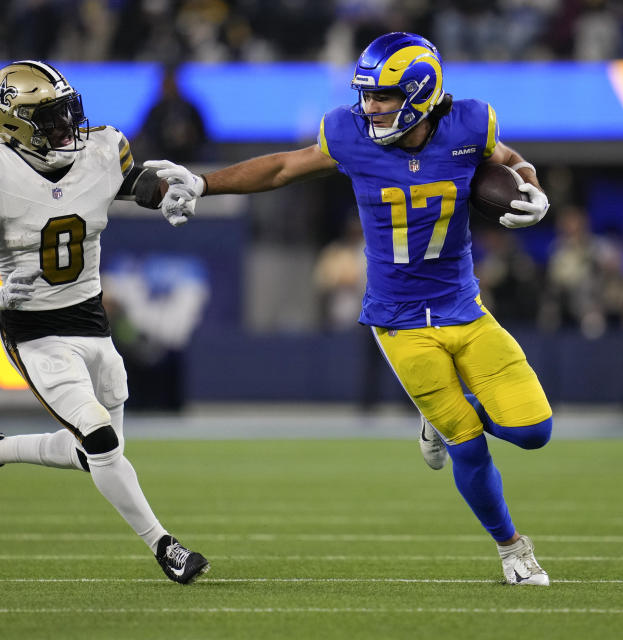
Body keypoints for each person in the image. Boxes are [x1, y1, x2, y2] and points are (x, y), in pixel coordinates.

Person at [151, 32, 554, 586]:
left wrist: (531, 185)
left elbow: (507, 160)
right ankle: (512, 550)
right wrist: (204, 182)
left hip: (464, 307)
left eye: (384, 97)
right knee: (470, 449)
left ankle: (441, 421)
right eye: (366, 95)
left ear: (419, 93)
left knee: (534, 431)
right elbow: (282, 168)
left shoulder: (470, 124)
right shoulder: (348, 133)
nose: (370, 107)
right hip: (400, 322)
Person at [0, 60, 207, 584]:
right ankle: (165, 546)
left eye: (68, 111)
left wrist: (173, 188)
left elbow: (136, 183)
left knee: (96, 453)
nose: (68, 125)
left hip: (91, 319)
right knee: (100, 439)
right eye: (51, 117)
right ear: (14, 124)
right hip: (34, 329)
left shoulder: (102, 149)